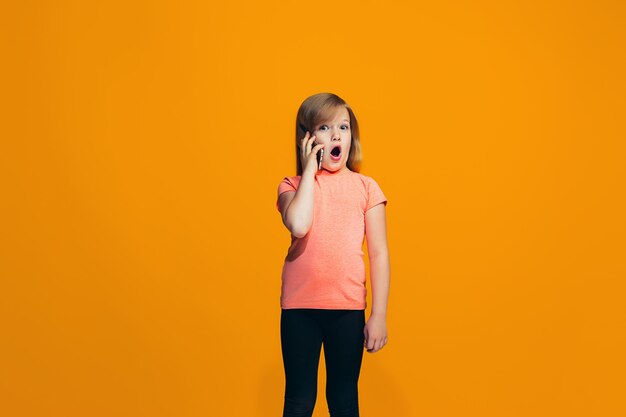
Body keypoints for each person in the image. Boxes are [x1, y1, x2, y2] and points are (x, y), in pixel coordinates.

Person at [275, 92, 390, 417]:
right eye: (325, 128)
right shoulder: (292, 186)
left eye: (343, 126)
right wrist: (310, 169)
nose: (337, 135)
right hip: (300, 309)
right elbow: (298, 224)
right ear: (307, 138)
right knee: (299, 401)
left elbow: (379, 253)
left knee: (343, 401)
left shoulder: (366, 187)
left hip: (347, 309)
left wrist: (378, 315)